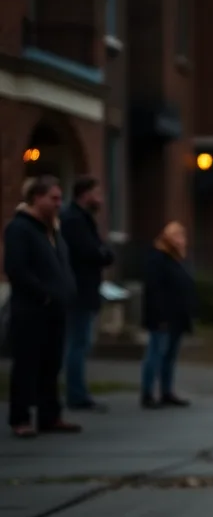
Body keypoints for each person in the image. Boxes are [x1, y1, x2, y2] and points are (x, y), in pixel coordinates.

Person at [4, 175, 81, 437]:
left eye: (61, 198)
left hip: (56, 309)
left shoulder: (54, 230)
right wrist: (44, 295)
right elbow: (17, 269)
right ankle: (20, 418)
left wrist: (67, 292)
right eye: (54, 198)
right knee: (26, 364)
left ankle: (50, 415)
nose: (59, 204)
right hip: (31, 310)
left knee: (51, 364)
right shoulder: (20, 229)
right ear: (37, 198)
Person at [59, 175, 115, 411]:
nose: (101, 199)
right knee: (77, 343)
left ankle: (78, 391)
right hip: (79, 291)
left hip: (86, 290)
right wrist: (103, 254)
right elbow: (92, 252)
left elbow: (101, 251)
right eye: (97, 193)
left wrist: (103, 253)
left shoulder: (83, 219)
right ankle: (76, 394)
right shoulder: (74, 220)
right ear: (85, 195)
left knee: (82, 342)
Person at [140, 221, 195, 408]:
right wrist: (159, 316)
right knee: (156, 353)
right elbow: (154, 290)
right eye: (179, 237)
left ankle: (166, 391)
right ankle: (147, 393)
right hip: (162, 316)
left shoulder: (176, 260)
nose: (183, 241)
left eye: (183, 237)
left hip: (176, 317)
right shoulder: (158, 258)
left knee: (170, 356)